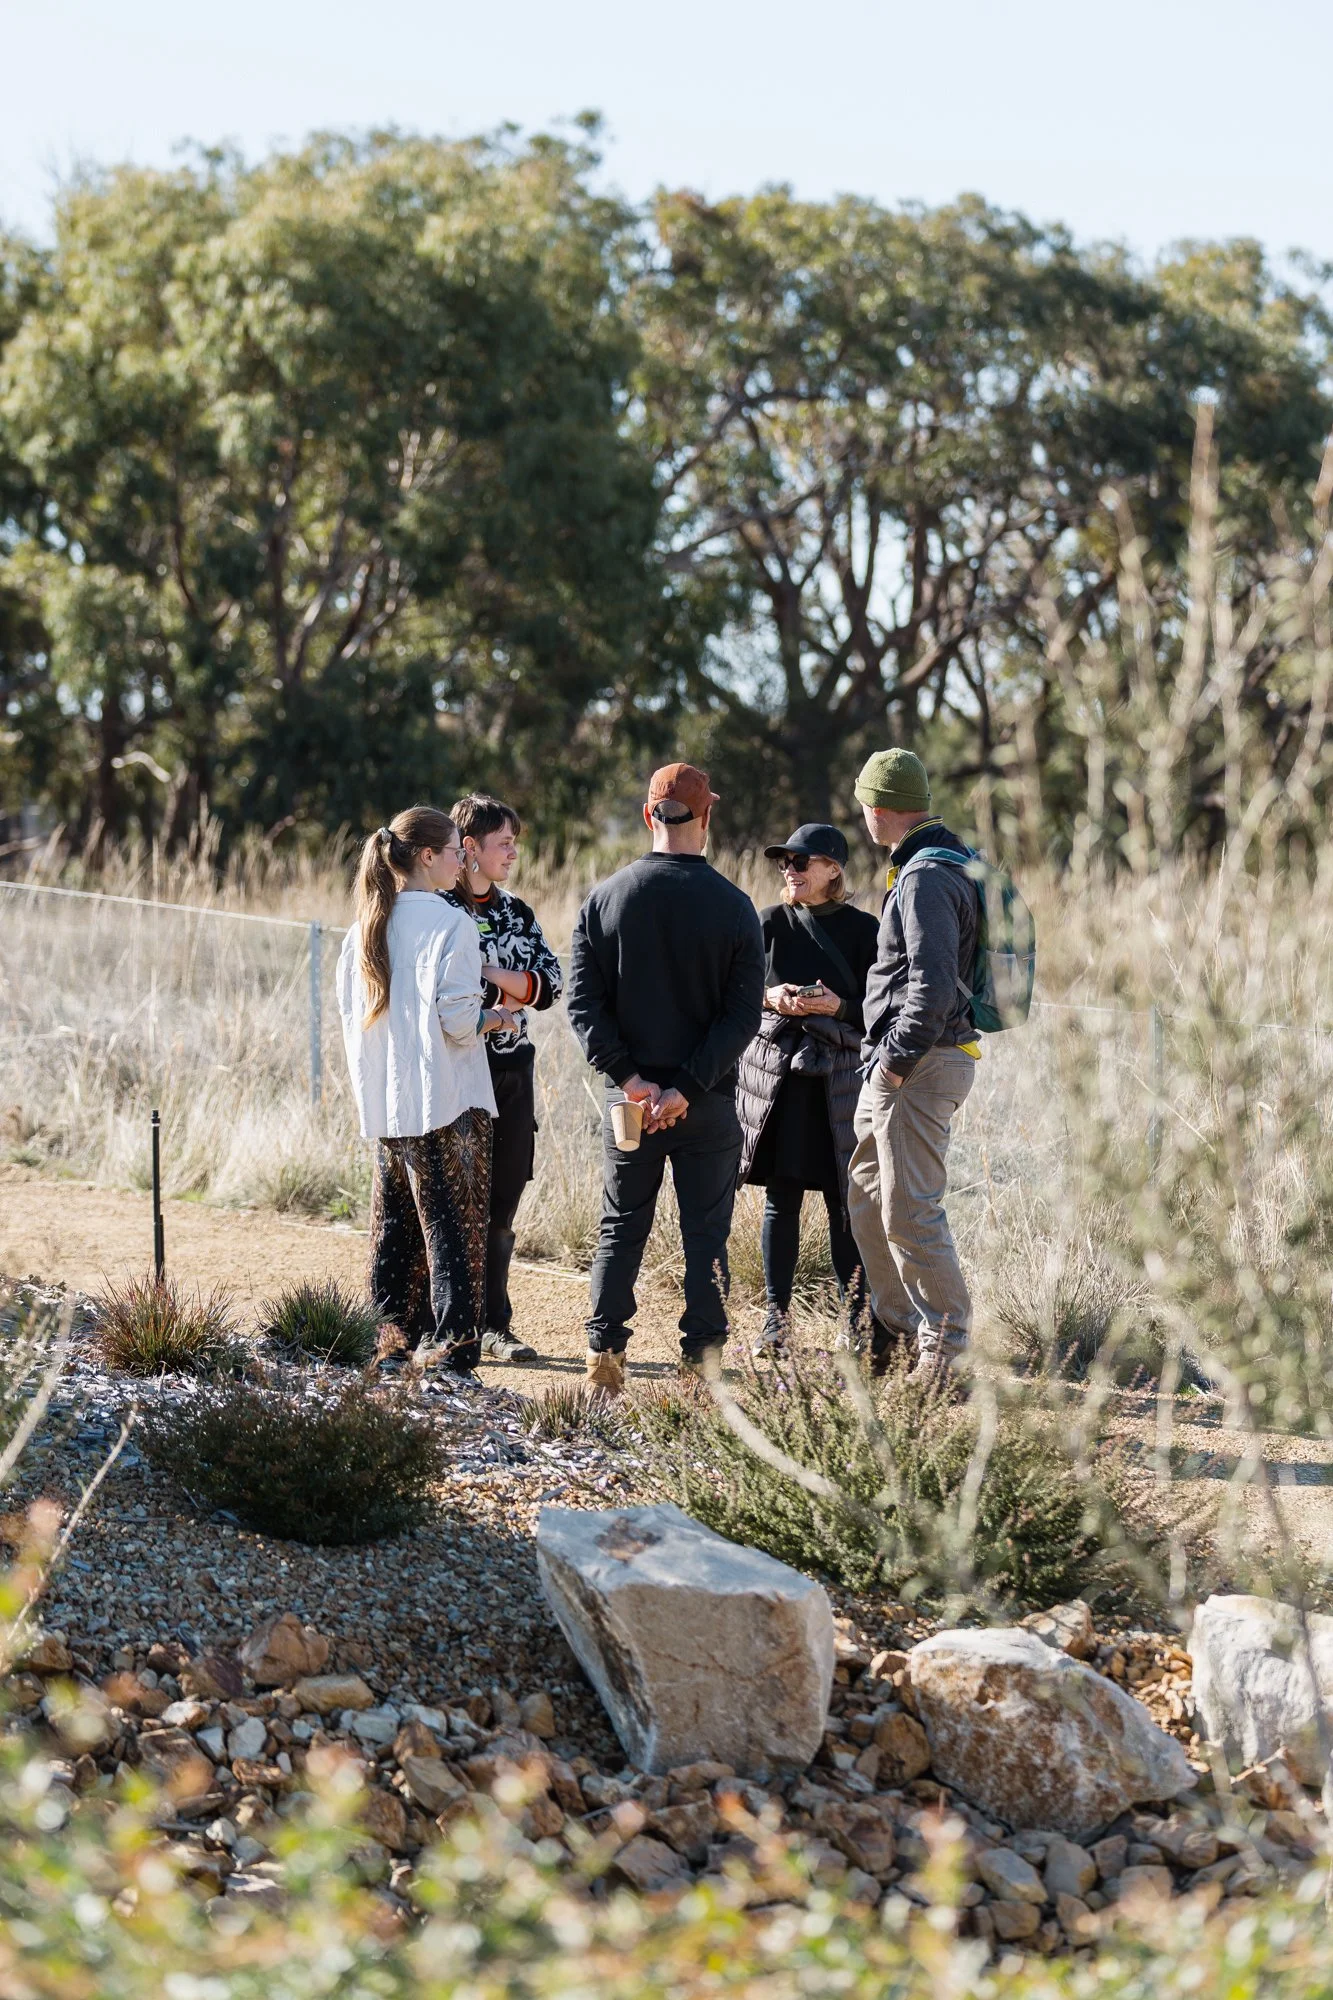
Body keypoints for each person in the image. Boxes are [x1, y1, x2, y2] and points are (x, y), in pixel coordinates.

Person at [567, 762, 765, 1395]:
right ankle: (701, 1362)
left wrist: (632, 1081)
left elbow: (581, 1005)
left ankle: (605, 1355)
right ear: (706, 817)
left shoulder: (604, 899)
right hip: (705, 1105)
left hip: (629, 1104)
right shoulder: (735, 908)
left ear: (649, 815)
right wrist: (685, 1087)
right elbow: (741, 1018)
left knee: (621, 1224)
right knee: (706, 1232)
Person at [335, 806, 516, 1375]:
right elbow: (459, 1022)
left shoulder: (365, 927)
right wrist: (500, 1019)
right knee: (454, 1229)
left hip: (389, 1101)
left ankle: (387, 1341)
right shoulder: (452, 925)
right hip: (450, 1101)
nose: (464, 861)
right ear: (428, 856)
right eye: (456, 853)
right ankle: (454, 1353)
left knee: (395, 1224)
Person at [846, 750, 981, 1380]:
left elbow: (931, 984)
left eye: (864, 805)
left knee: (909, 1210)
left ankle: (945, 1349)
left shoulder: (926, 877)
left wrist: (895, 1064)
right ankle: (899, 1335)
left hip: (918, 1065)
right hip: (905, 1063)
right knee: (870, 1197)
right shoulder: (939, 865)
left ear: (877, 808)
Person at [736, 823, 880, 1357]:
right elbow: (736, 994)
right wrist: (772, 998)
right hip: (780, 1084)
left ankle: (857, 1323)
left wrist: (836, 1007)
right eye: (785, 862)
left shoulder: (867, 931)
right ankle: (775, 1323)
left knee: (847, 1204)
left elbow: (884, 1012)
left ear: (833, 870)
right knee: (782, 1200)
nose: (790, 870)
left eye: (802, 861)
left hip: (840, 1083)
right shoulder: (768, 922)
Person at [447, 792, 564, 1366]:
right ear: (469, 848)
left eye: (514, 842)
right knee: (453, 1202)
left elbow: (551, 985)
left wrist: (491, 974)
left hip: (515, 1073)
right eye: (503, 842)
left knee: (502, 1202)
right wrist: (505, 988)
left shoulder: (517, 910)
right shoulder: (438, 910)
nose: (513, 851)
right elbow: (455, 993)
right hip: (459, 1074)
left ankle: (496, 1324)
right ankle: (448, 1325)